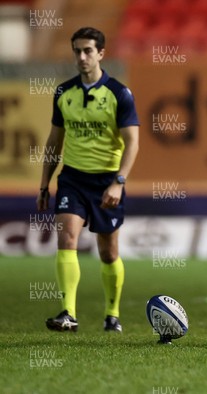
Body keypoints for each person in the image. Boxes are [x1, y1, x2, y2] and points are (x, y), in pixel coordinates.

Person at [37, 27, 140, 332]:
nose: (81, 57)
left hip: (107, 181)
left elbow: (132, 142)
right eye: (77, 51)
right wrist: (45, 184)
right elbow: (54, 141)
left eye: (88, 51)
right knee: (66, 239)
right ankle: (68, 312)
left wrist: (119, 182)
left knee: (108, 252)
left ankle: (112, 314)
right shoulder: (63, 93)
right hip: (72, 179)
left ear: (101, 54)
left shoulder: (119, 94)